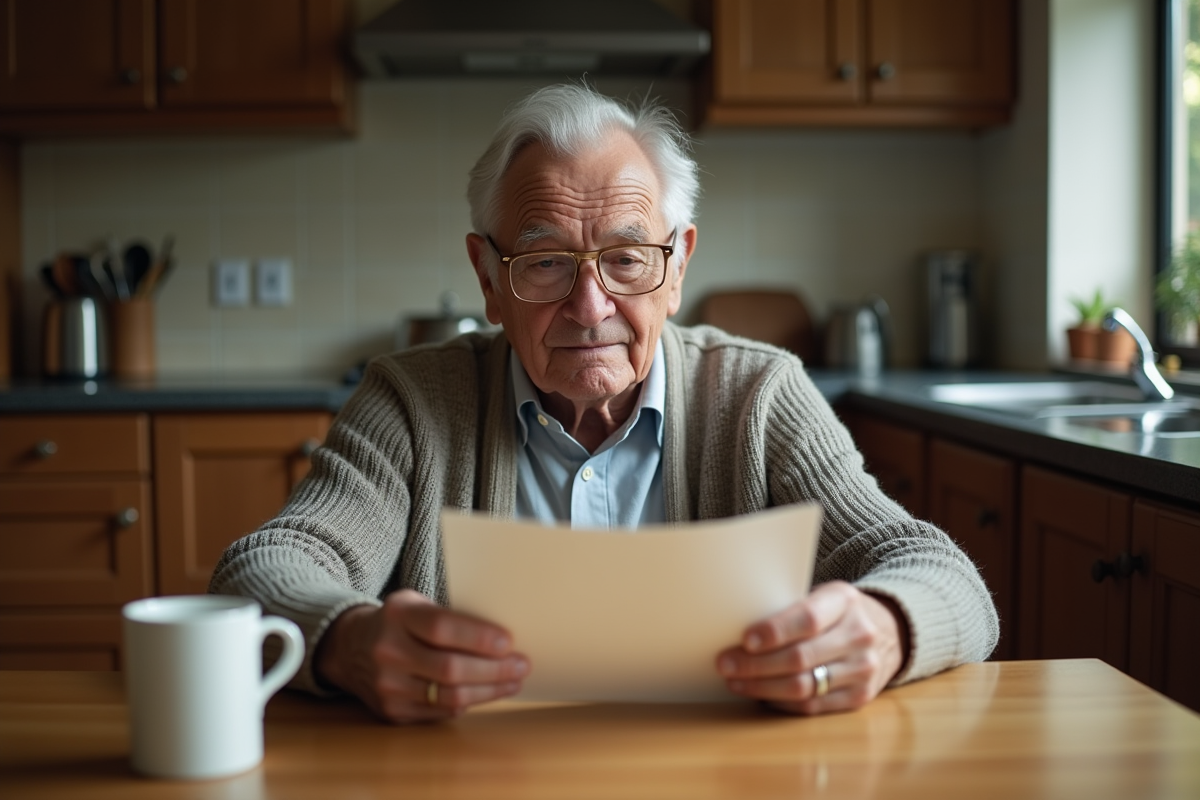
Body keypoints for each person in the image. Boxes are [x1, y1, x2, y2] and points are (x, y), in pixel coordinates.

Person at [210, 84, 998, 724]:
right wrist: (348, 640)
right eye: (548, 262)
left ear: (678, 264)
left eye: (625, 258)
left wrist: (888, 629)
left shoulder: (762, 394)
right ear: (489, 278)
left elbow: (940, 573)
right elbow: (260, 570)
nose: (592, 307)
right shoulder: (413, 402)